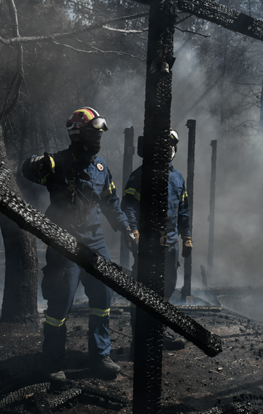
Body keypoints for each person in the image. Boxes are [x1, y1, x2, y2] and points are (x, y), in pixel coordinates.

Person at [22, 107, 136, 381]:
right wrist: (37, 162)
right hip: (65, 240)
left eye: (99, 133)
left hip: (95, 240)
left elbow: (111, 203)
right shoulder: (58, 162)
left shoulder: (100, 167)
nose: (98, 138)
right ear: (77, 133)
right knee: (61, 301)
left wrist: (127, 230)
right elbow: (27, 171)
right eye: (93, 132)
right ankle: (51, 363)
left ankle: (100, 357)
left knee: (103, 297)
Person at [121, 129, 192, 301]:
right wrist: (134, 232)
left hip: (170, 242)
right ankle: (139, 322)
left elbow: (183, 209)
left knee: (168, 286)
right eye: (166, 144)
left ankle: (158, 325)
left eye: (172, 144)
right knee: (142, 285)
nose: (169, 148)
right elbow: (128, 206)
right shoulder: (139, 176)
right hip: (146, 240)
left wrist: (187, 236)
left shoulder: (177, 177)